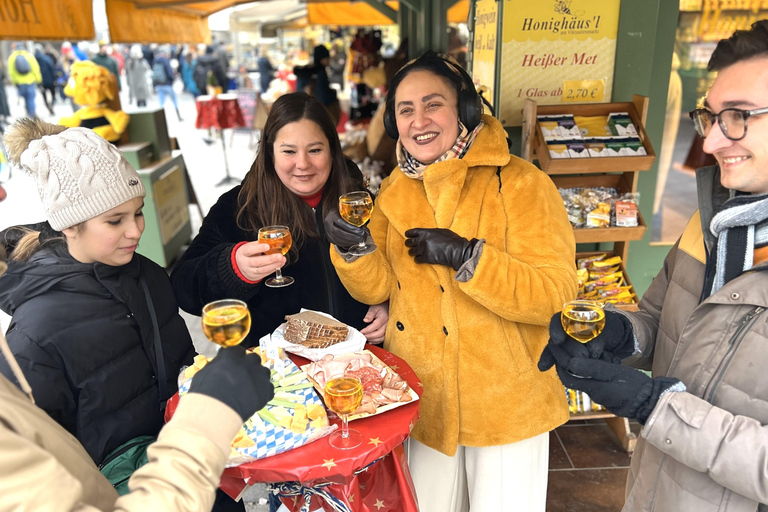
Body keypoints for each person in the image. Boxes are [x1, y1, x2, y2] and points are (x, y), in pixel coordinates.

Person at [324, 52, 577, 512]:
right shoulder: (394, 192)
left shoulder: (521, 184)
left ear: (462, 110)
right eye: (405, 110)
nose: (419, 120)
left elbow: (555, 295)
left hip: (506, 404)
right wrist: (354, 248)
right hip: (425, 399)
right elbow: (375, 289)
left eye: (432, 104)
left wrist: (469, 257)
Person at [538, 20, 768, 512]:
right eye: (711, 117)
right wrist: (618, 333)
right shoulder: (712, 220)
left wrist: (654, 406)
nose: (709, 143)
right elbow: (661, 324)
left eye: (739, 117)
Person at [0, 118, 197, 473]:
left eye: (138, 213)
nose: (135, 229)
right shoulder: (35, 333)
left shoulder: (149, 274)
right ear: (70, 224)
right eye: (115, 220)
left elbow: (182, 360)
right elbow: (35, 459)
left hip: (191, 461)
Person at [170, 91, 388, 348]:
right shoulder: (240, 207)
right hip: (279, 373)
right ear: (270, 152)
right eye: (288, 151)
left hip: (355, 366)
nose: (303, 164)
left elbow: (397, 270)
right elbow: (185, 289)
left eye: (315, 150)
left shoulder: (358, 203)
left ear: (332, 149)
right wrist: (232, 268)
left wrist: (387, 305)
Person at [1, 324, 274, 511]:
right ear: (67, 233)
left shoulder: (147, 275)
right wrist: (209, 415)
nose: (134, 234)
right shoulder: (30, 336)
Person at [295, 45, 341, 126]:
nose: (329, 61)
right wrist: (334, 93)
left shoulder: (305, 72)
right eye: (327, 58)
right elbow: (324, 97)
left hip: (303, 113)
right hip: (318, 113)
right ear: (321, 58)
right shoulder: (320, 72)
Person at [7, 42, 41, 118]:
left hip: (20, 82)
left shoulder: (12, 57)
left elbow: (11, 72)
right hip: (30, 81)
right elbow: (35, 68)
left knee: (25, 97)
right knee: (31, 98)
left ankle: (29, 112)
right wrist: (38, 79)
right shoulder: (29, 55)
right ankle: (32, 113)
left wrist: (14, 82)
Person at [34, 44, 56, 116]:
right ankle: (51, 105)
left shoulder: (33, 60)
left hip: (41, 82)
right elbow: (52, 68)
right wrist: (55, 78)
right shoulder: (46, 58)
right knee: (53, 94)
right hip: (50, 80)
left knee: (44, 96)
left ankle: (48, 106)